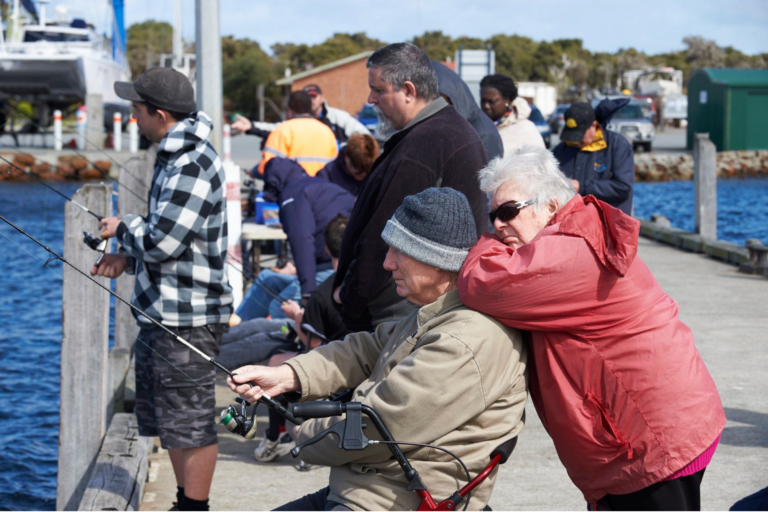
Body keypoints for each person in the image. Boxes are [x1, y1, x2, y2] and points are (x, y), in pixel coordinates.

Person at [457, 147, 725, 511]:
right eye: (492, 218)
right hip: (664, 427)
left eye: (508, 212)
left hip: (652, 444)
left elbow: (480, 282)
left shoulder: (570, 252)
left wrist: (483, 241)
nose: (499, 226)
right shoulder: (577, 231)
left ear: (551, 206)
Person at [229, 188, 528, 511]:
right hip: (369, 490)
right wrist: (289, 375)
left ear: (436, 259)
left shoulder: (464, 339)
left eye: (399, 251)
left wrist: (303, 435)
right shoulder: (437, 311)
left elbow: (380, 427)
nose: (387, 263)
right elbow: (366, 348)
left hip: (393, 501)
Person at [92, 67, 233, 512]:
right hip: (166, 315)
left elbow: (164, 239)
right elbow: (173, 242)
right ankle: (184, 501)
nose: (134, 118)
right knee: (172, 423)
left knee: (190, 423)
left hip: (186, 321)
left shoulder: (191, 162)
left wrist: (122, 228)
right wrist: (126, 258)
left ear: (160, 114)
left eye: (137, 110)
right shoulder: (174, 156)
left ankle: (195, 507)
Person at [332, 42, 489, 332]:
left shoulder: (428, 142)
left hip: (396, 313)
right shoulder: (441, 131)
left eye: (378, 90)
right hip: (409, 304)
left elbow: (383, 232)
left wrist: (350, 297)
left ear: (408, 90)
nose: (370, 99)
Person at [250, 213, 352, 463]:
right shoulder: (365, 285)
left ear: (327, 249)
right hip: (358, 359)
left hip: (333, 364)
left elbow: (314, 344)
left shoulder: (321, 294)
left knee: (275, 363)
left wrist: (296, 315)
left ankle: (275, 437)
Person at [233, 158, 355, 324]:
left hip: (333, 267)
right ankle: (235, 328)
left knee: (278, 306)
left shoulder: (292, 195)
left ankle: (286, 347)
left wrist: (308, 293)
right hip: (326, 265)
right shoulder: (315, 184)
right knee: (267, 278)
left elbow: (303, 242)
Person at [552, 99, 635, 215]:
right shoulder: (561, 149)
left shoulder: (618, 145)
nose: (576, 140)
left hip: (609, 223)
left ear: (594, 125)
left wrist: (581, 187)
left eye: (580, 135)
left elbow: (623, 187)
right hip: (575, 224)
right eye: (573, 135)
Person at [232, 84, 370, 146]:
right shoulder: (298, 121)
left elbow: (366, 137)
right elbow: (277, 129)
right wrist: (251, 126)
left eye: (314, 96)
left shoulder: (339, 117)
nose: (311, 100)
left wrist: (344, 151)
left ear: (322, 98)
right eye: (307, 97)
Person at [431, 61, 503, 161]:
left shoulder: (483, 132)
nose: (434, 106)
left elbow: (485, 175)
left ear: (453, 96)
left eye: (439, 100)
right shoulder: (447, 124)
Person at [256, 90, 338, 176]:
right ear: (310, 106)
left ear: (290, 109)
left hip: (292, 186)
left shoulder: (283, 130)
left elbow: (266, 166)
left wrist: (255, 171)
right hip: (322, 186)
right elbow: (334, 166)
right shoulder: (326, 131)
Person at [480, 74, 544, 155]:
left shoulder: (526, 129)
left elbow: (540, 164)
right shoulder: (476, 127)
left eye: (491, 101)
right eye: (483, 101)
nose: (486, 106)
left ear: (506, 99)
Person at [316, 132, 379, 197]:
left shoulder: (377, 177)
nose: (364, 175)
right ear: (347, 159)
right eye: (359, 172)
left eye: (368, 171)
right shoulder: (326, 177)